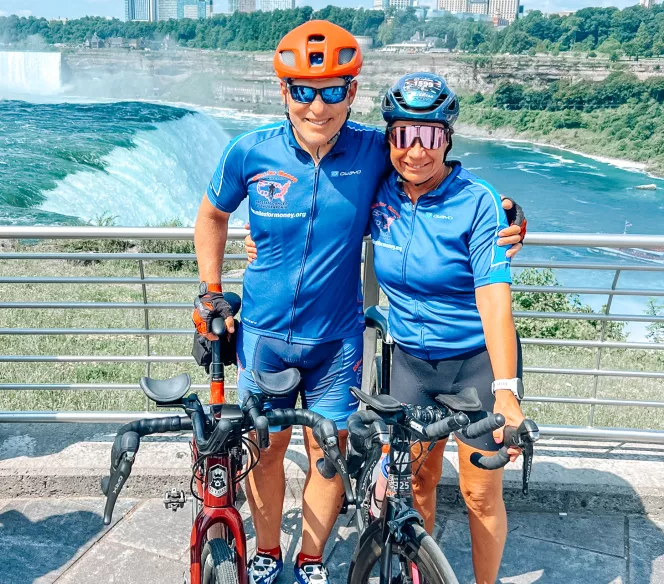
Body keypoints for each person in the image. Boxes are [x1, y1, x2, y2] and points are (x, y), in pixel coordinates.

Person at [194, 22, 525, 584]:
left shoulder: (377, 150)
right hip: (263, 337)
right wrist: (210, 289)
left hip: (337, 340)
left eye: (331, 91)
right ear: (284, 91)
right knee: (266, 450)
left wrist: (508, 214)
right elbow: (212, 216)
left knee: (328, 455)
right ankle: (270, 552)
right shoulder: (250, 151)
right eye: (303, 90)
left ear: (351, 92)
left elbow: (444, 180)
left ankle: (311, 558)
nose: (317, 106)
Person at [372, 72, 526, 584]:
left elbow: (493, 297)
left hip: (474, 364)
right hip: (410, 364)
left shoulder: (478, 201)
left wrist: (506, 391)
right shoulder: (377, 193)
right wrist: (258, 241)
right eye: (404, 135)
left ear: (448, 138)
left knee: (481, 493)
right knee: (416, 484)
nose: (416, 151)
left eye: (430, 136)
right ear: (389, 137)